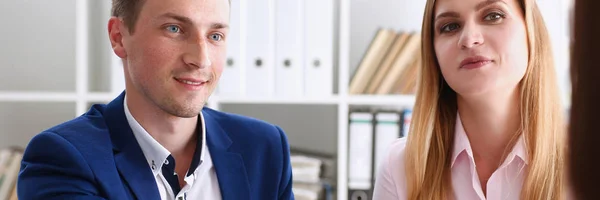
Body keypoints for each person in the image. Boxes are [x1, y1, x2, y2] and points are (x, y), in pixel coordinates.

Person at [17, 0, 294, 199]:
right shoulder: (62, 157)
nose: (201, 59)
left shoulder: (263, 148)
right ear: (119, 37)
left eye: (215, 35)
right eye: (174, 29)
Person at [373, 0, 566, 199]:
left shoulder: (587, 161)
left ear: (530, 29)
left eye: (493, 16)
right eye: (450, 26)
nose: (469, 39)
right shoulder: (400, 167)